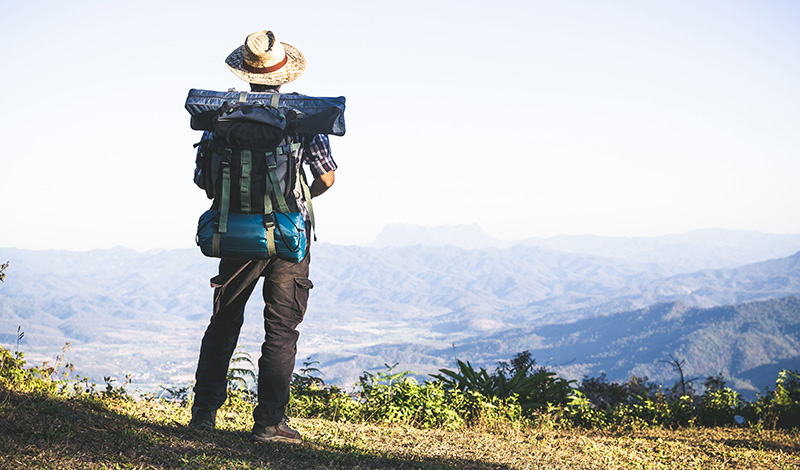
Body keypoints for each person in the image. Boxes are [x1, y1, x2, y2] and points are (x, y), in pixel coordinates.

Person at [188, 30, 337, 443]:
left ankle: (204, 415)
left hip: (235, 234)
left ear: (246, 74)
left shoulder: (219, 120)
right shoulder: (301, 119)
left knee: (223, 323)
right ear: (283, 75)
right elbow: (326, 176)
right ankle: (270, 423)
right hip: (290, 235)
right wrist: (299, 196)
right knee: (281, 328)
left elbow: (204, 180)